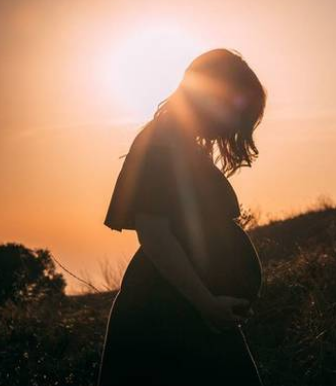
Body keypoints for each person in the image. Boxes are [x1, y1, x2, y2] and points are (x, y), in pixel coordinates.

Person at [98, 48, 267, 386]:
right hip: (166, 313)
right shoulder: (162, 142)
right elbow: (155, 233)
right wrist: (206, 303)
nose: (235, 122)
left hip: (190, 309)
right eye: (236, 108)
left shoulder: (180, 142)